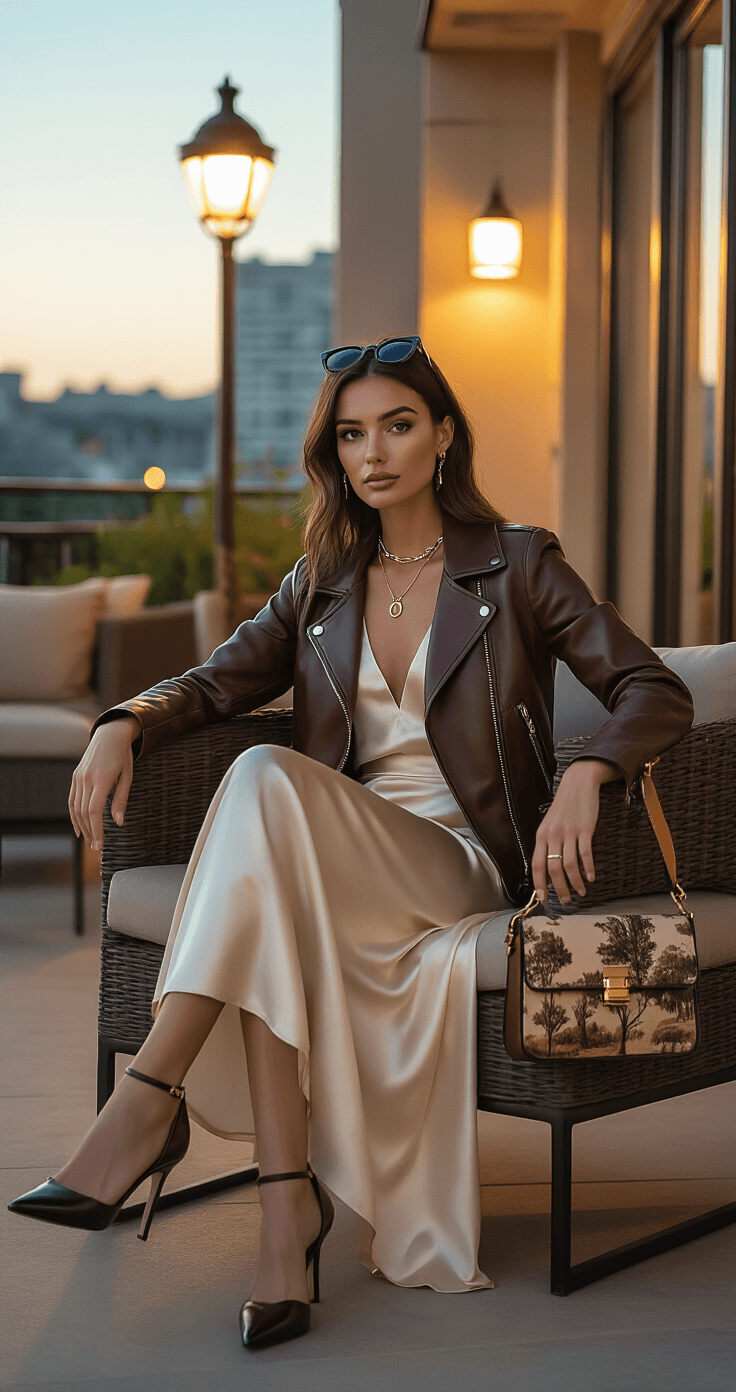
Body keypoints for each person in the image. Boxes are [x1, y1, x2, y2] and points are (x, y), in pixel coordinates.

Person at [9, 337, 693, 1349]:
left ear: (444, 434)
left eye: (399, 425)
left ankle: (148, 1105)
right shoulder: (321, 582)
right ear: (335, 451)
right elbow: (210, 683)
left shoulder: (518, 563)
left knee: (261, 782)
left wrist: (589, 772)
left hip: (456, 863)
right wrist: (124, 719)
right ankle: (289, 1215)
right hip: (328, 858)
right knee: (270, 861)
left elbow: (651, 688)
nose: (374, 452)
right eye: (351, 432)